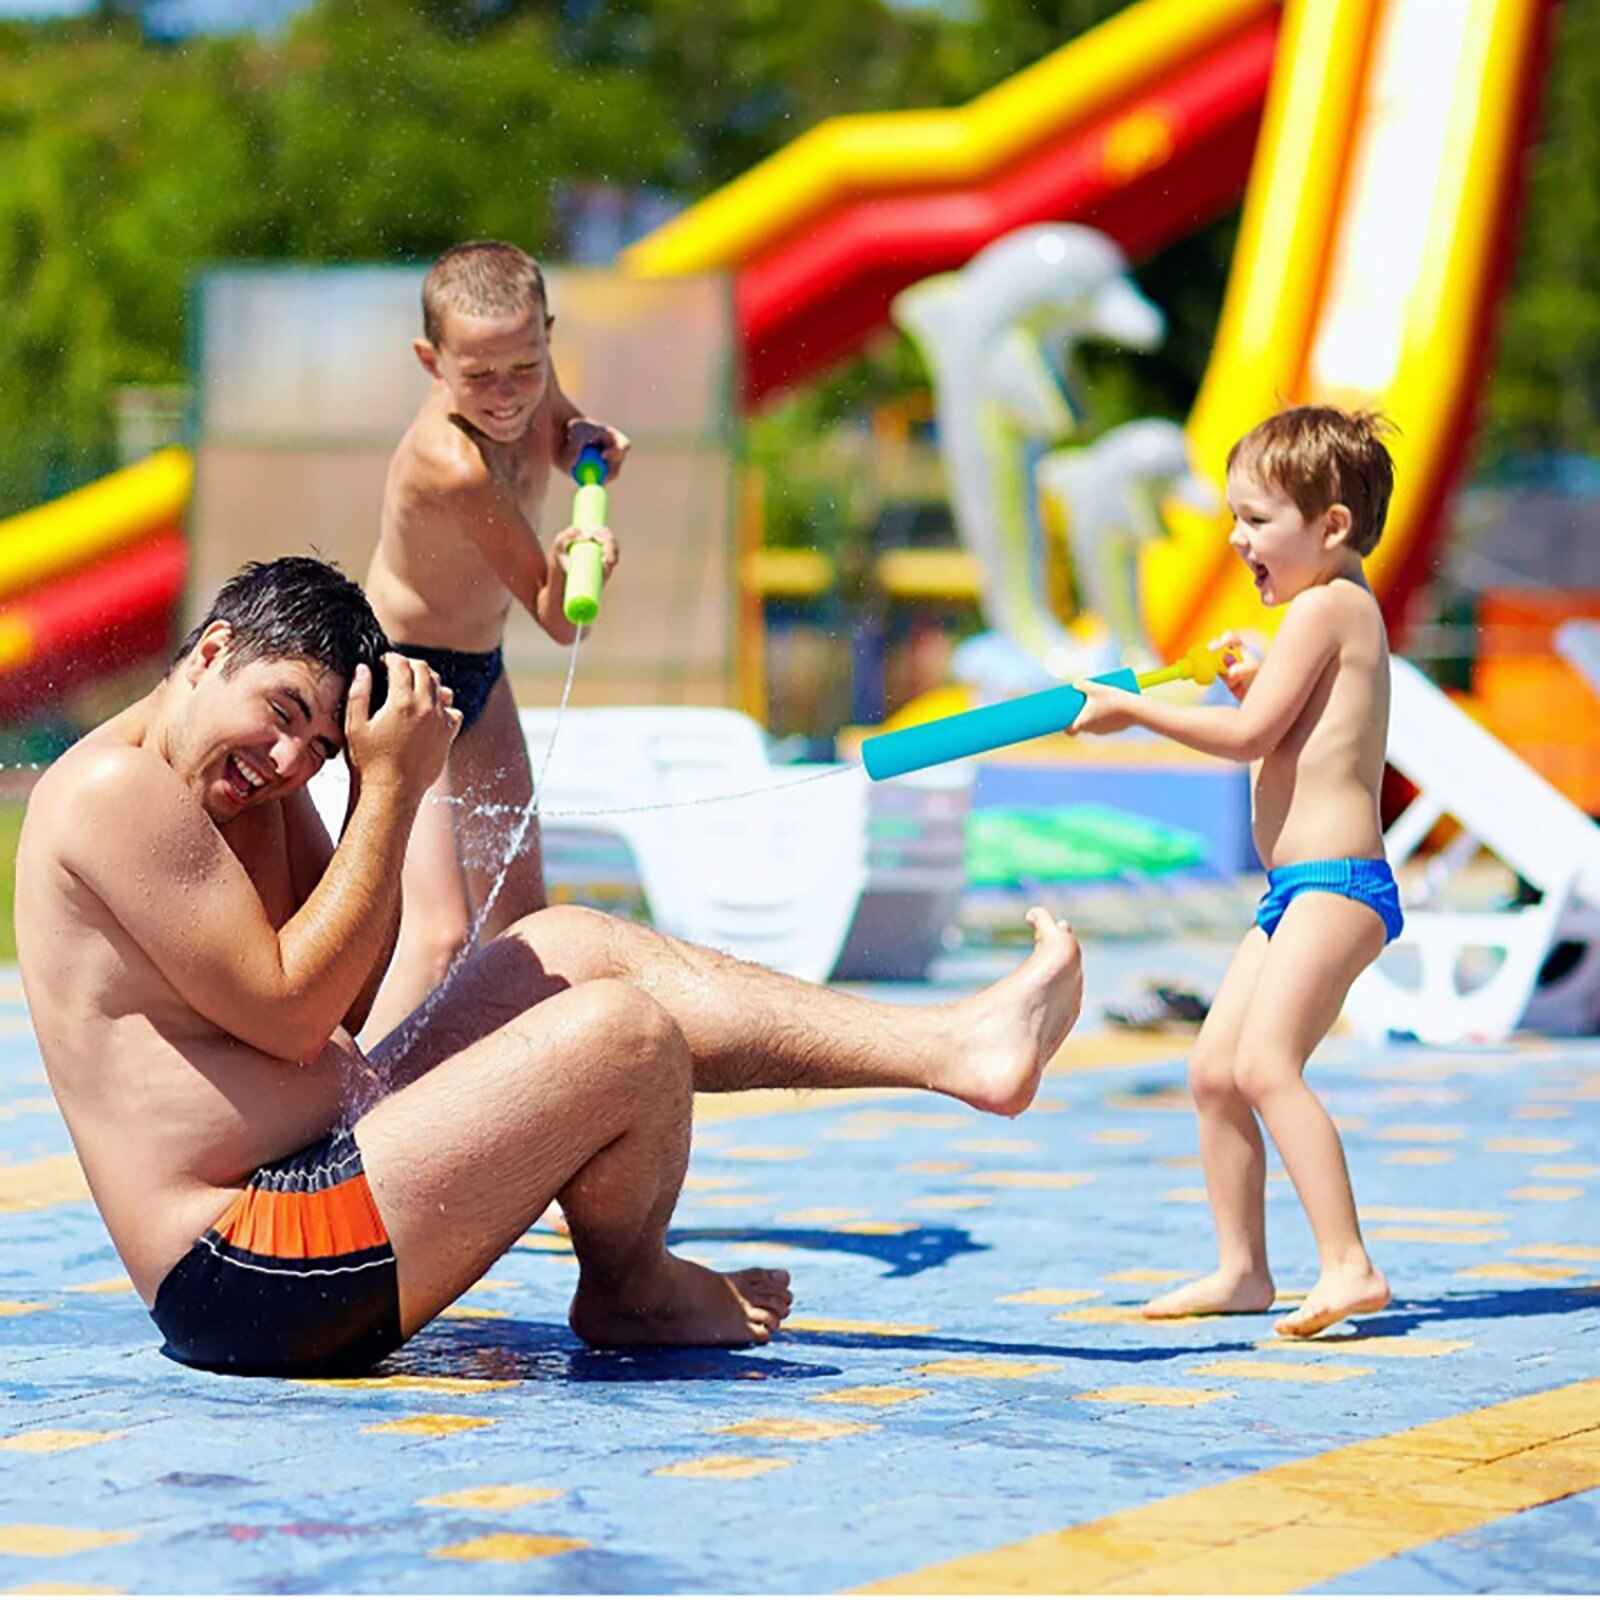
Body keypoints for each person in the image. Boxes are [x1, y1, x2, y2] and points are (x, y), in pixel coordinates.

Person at [15, 557, 1083, 1378]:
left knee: (573, 947)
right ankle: (634, 1288)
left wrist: (376, 783)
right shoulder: (116, 792)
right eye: (282, 715)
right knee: (619, 1033)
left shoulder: (246, 777)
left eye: (316, 747)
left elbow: (343, 982)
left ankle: (952, 1050)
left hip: (325, 1165)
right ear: (208, 652)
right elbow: (298, 1017)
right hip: (251, 1266)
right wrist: (391, 791)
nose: (287, 760)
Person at [1069, 405, 1402, 1339]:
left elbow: (1253, 739)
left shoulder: (1328, 603)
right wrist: (1256, 678)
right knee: (1215, 1068)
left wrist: (1136, 711)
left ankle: (1349, 1264)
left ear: (1329, 527)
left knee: (1265, 1064)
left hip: (1339, 886)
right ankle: (1243, 1267)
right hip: (1294, 893)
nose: (1235, 537)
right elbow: (1291, 720)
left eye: (1256, 520)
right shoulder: (1329, 611)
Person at [363, 239, 628, 1042]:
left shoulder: (521, 382)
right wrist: (587, 561)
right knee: (440, 935)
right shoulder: (452, 464)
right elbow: (557, 614)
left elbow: (559, 433)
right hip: (405, 684)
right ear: (430, 361)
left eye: (527, 367)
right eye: (478, 376)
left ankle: (515, 1098)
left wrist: (589, 442)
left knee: (522, 923)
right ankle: (343, 1117)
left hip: (481, 668)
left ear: (546, 336)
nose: (507, 396)